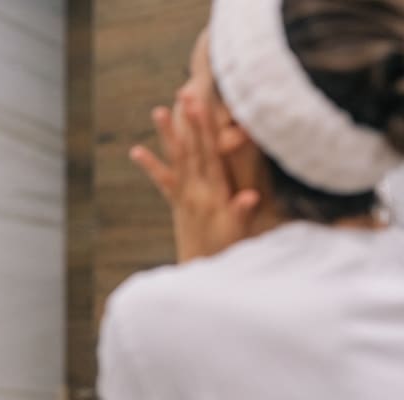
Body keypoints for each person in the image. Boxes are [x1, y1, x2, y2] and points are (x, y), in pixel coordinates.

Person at [98, 0, 404, 399]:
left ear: (231, 120)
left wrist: (200, 280)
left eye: (192, 77)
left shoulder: (153, 320)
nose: (181, 94)